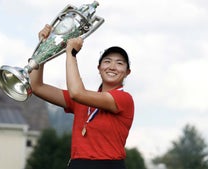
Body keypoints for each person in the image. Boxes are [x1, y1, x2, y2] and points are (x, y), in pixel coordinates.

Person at [30, 24, 134, 169]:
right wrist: (43, 47)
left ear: (127, 72)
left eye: (119, 63)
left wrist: (71, 53)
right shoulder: (83, 100)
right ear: (99, 68)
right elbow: (37, 86)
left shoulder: (124, 99)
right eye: (107, 61)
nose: (112, 66)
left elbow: (77, 93)